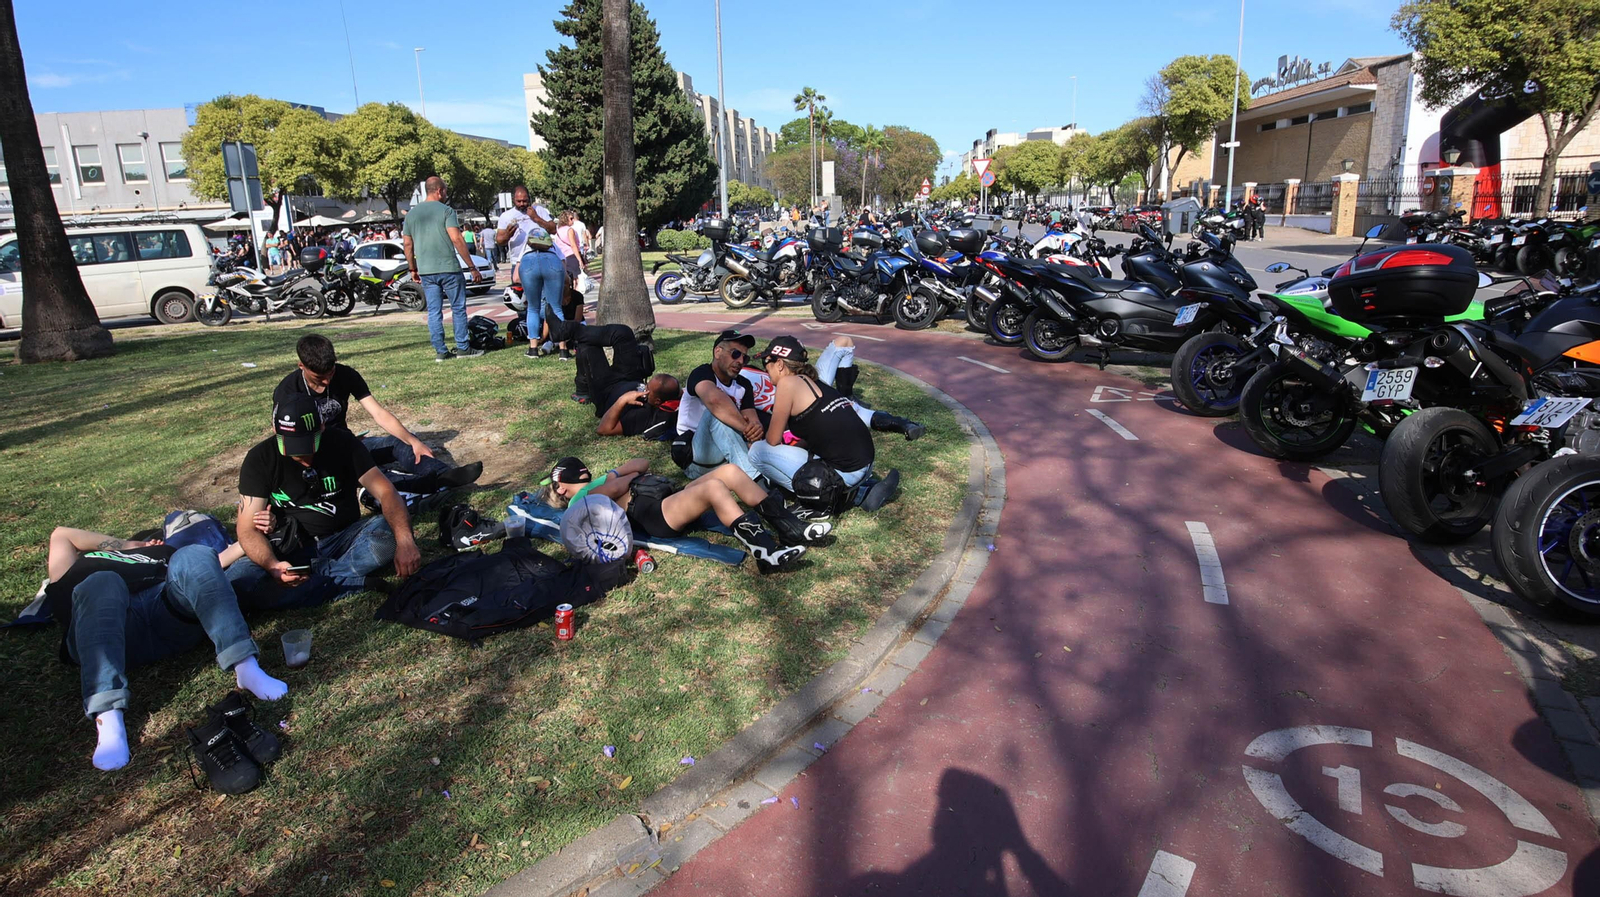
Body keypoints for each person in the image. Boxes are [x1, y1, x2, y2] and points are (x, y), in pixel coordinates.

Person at [42, 526, 287, 771]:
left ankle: (246, 667)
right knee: (102, 580)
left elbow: (209, 568)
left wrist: (257, 531)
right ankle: (108, 717)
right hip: (106, 631)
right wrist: (129, 545)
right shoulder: (79, 568)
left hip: (167, 613)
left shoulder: (165, 556)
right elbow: (61, 535)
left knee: (195, 554)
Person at [227, 395, 421, 610]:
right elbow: (246, 530)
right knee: (238, 584)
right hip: (289, 545)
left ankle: (316, 582)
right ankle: (342, 580)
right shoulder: (260, 459)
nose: (303, 456)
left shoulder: (344, 443)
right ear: (275, 430)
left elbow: (386, 493)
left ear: (322, 426)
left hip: (344, 537)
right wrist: (273, 566)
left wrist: (405, 542)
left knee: (388, 534)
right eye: (292, 448)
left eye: (308, 445)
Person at [274, 333, 483, 494]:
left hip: (348, 443)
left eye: (331, 373)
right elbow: (282, 437)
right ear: (301, 365)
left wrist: (413, 441)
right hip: (316, 454)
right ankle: (418, 486)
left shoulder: (346, 374)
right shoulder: (288, 390)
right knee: (365, 472)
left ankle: (444, 475)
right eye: (320, 377)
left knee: (400, 443)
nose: (327, 381)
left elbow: (378, 413)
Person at [541, 457, 824, 573]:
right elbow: (618, 486)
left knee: (729, 471)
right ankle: (766, 553)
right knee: (714, 487)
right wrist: (622, 477)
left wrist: (618, 473)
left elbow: (642, 463)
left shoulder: (599, 481)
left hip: (662, 498)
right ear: (562, 489)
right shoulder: (582, 497)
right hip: (653, 513)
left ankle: (790, 527)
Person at [749, 336, 899, 512]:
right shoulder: (815, 381)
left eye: (766, 363)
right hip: (865, 464)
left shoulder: (787, 384)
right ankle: (860, 491)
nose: (765, 370)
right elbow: (816, 433)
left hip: (848, 472)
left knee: (757, 451)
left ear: (780, 364)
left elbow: (772, 440)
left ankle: (837, 497)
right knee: (799, 450)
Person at [740, 335, 924, 440]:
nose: (739, 360)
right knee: (849, 410)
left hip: (810, 390)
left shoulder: (755, 373)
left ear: (779, 363)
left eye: (767, 361)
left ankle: (846, 396)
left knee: (844, 341)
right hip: (808, 402)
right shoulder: (737, 386)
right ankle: (899, 422)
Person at [547, 319, 679, 438]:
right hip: (630, 376)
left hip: (607, 392)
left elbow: (604, 429)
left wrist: (623, 400)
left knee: (587, 346)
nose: (645, 387)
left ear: (657, 401)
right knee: (623, 333)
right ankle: (563, 330)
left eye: (648, 389)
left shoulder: (643, 415)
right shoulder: (675, 397)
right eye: (647, 384)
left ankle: (582, 388)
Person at [403, 176, 486, 362]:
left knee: (434, 311)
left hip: (426, 270)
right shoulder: (446, 211)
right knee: (457, 308)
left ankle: (441, 351)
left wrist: (412, 268)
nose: (446, 194)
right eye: (445, 191)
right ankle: (463, 347)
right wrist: (472, 267)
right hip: (448, 267)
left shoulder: (411, 215)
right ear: (439, 191)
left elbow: (407, 244)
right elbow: (456, 239)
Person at [672, 330, 764, 481]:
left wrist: (755, 429)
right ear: (718, 352)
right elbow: (715, 401)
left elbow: (753, 420)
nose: (740, 361)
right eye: (735, 354)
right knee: (715, 414)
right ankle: (757, 481)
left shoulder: (744, 384)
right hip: (698, 456)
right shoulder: (701, 373)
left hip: (727, 454)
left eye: (744, 357)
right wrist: (746, 429)